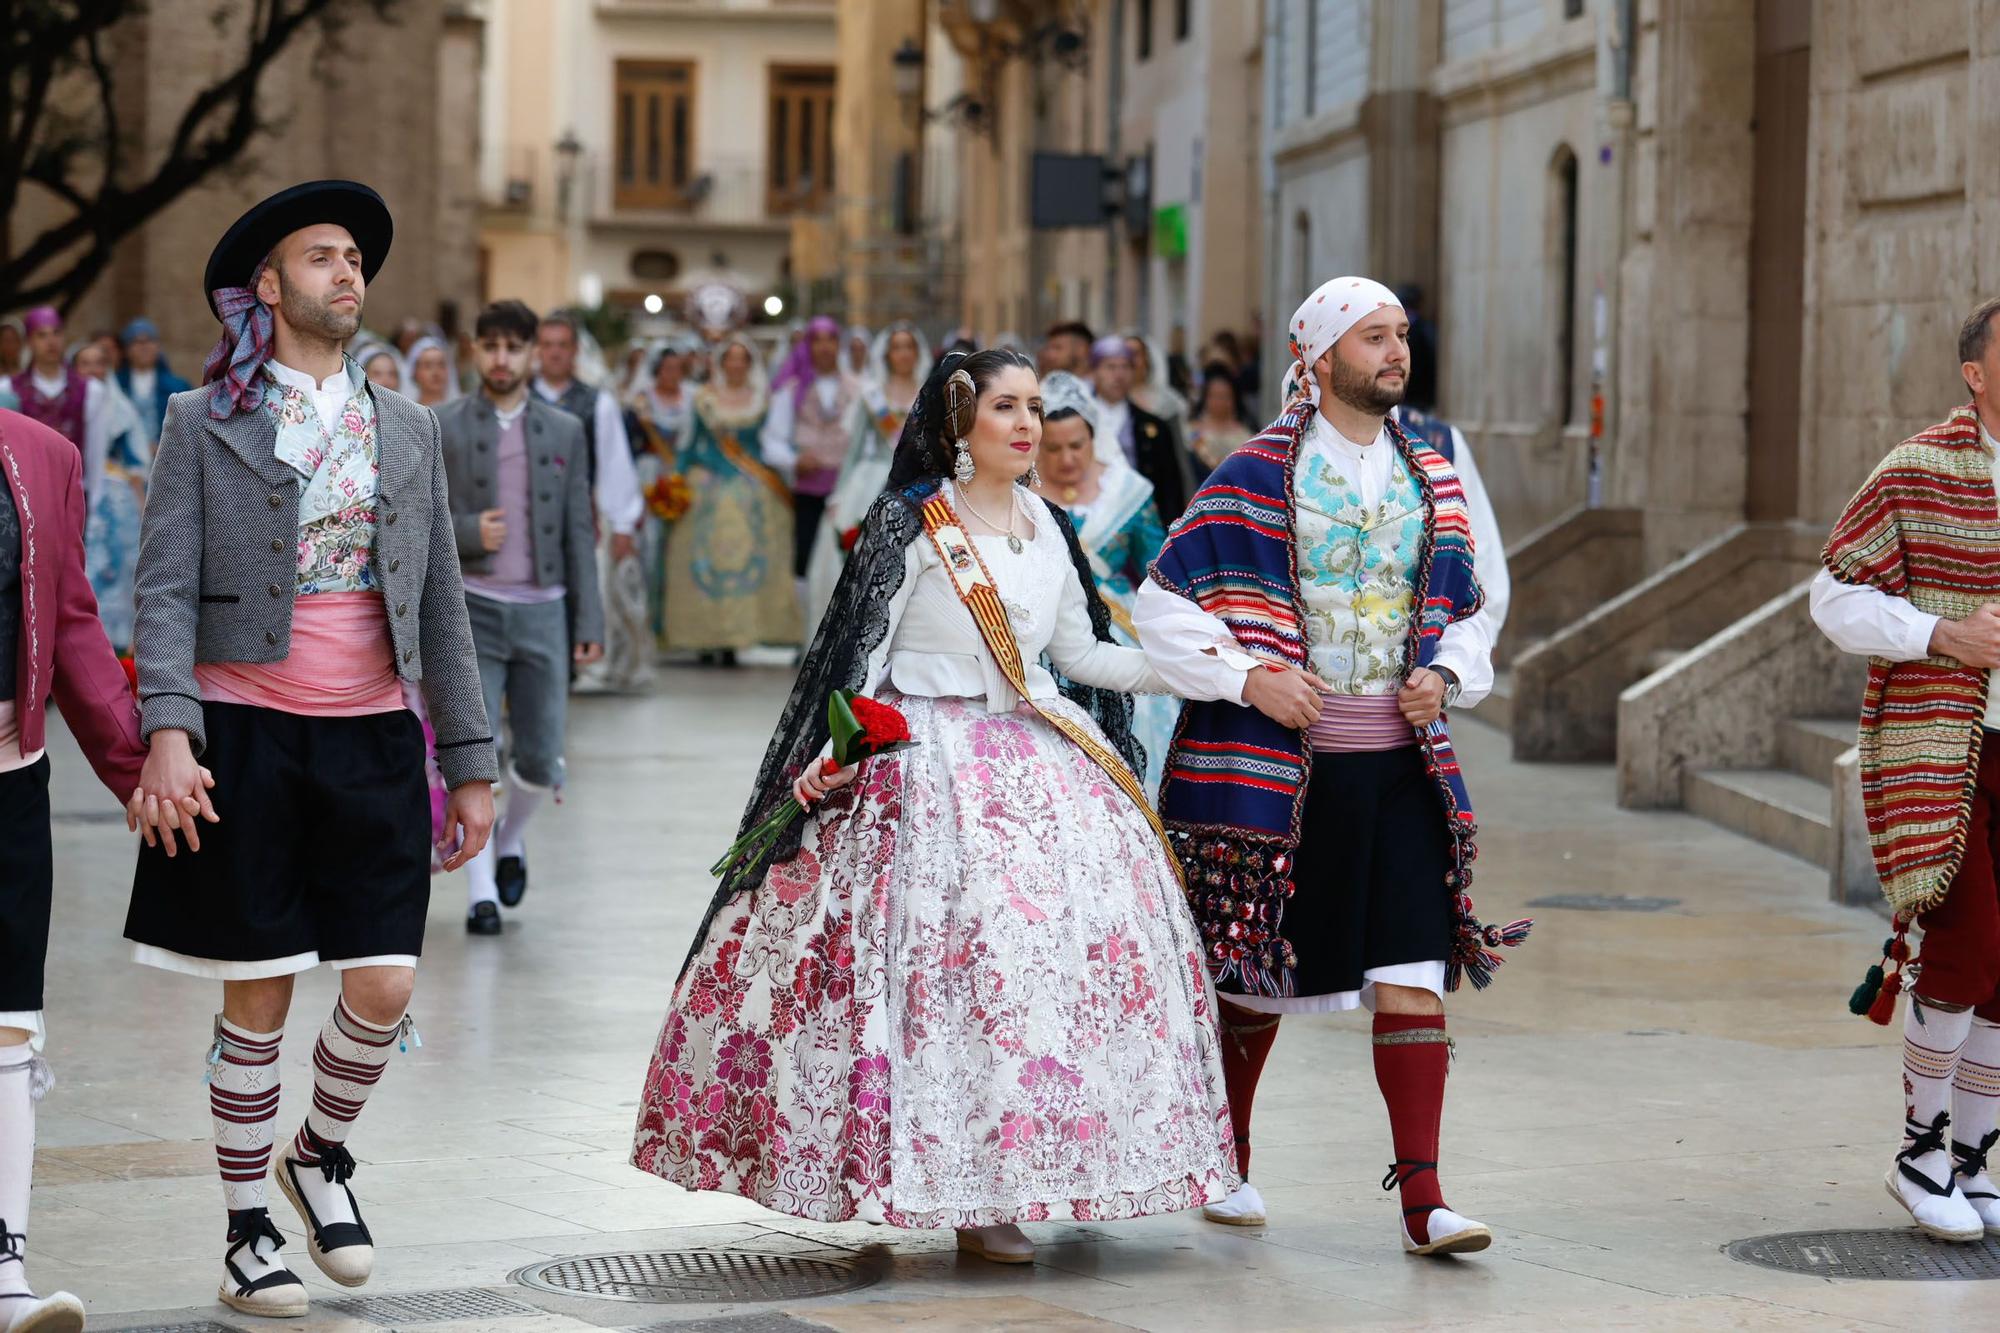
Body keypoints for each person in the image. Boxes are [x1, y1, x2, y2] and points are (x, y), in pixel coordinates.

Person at [633, 349, 1236, 1262]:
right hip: (930, 765)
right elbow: (858, 663)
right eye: (1006, 406)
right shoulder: (913, 523)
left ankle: (1031, 1170)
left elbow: (1082, 655)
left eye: (1035, 406)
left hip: (1042, 758)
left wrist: (1215, 670)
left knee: (1047, 975)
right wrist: (834, 759)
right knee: (944, 975)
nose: (1028, 424)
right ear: (961, 424)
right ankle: (945, 1187)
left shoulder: (1046, 520)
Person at [123, 179, 497, 1317]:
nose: (349, 273)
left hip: (375, 735)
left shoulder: (407, 426)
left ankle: (319, 1150)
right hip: (242, 737)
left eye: (356, 259)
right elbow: (163, 588)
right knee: (259, 1000)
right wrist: (168, 733)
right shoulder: (201, 420)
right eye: (323, 257)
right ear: (270, 286)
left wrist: (471, 760)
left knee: (383, 978)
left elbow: (440, 603)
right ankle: (247, 1234)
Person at [1134, 276, 1526, 1254]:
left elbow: (1480, 592)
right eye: (1371, 338)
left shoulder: (1436, 465)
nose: (1394, 353)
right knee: (1249, 973)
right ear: (1315, 358)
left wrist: (1446, 668)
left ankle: (1424, 1201)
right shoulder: (1253, 473)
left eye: (1399, 335)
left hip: (1401, 770)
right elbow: (1163, 602)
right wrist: (1247, 675)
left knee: (1410, 967)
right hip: (1274, 776)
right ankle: (1222, 1156)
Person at [1811, 296, 2000, 1243]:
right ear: (1976, 371)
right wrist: (1943, 633)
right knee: (1966, 946)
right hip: (1944, 745)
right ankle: (1920, 1152)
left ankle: (1973, 1161)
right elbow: (1832, 590)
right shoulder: (1919, 468)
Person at [0, 405, 166, 1333]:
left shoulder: (42, 453)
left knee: (8, 1030)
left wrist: (143, 772)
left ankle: (4, 1272)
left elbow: (70, 626)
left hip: (10, 786)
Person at [438, 300, 604, 936]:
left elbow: (578, 530)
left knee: (539, 756)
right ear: (474, 351)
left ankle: (510, 838)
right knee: (473, 753)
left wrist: (589, 621)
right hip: (471, 610)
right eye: (490, 346)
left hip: (544, 612)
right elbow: (417, 523)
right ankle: (480, 889)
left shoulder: (565, 431)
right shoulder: (442, 425)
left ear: (534, 353)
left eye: (514, 347)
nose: (501, 359)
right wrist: (467, 531)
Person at [1030, 371, 1173, 797]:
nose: (1067, 458)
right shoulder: (1019, 492)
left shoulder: (1127, 491)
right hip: (1040, 623)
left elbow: (1158, 567)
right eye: (1052, 448)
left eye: (1077, 446)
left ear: (1096, 438)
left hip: (1116, 624)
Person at [662, 337, 799, 662]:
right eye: (730, 359)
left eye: (742, 359)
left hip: (751, 483)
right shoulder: (703, 399)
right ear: (721, 363)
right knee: (699, 552)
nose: (736, 365)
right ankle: (704, 637)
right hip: (707, 481)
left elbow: (771, 442)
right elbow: (688, 443)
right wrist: (676, 479)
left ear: (749, 365)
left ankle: (742, 633)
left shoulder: (762, 401)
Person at [802, 321, 933, 641]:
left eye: (908, 347)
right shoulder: (870, 395)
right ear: (887, 354)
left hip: (915, 482)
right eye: (896, 347)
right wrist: (838, 494)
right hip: (869, 479)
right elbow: (855, 448)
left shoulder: (930, 394)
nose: (903, 354)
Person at [531, 313, 646, 672]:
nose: (554, 354)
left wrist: (623, 523)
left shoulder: (598, 403)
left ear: (575, 351)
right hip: (528, 516)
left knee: (585, 588)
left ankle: (583, 663)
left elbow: (614, 463)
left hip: (583, 515)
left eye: (562, 346)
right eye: (547, 345)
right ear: (537, 350)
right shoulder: (518, 397)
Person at [1394, 404, 1511, 635]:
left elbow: (1481, 554)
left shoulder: (1438, 441)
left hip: (1430, 649)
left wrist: (1466, 656)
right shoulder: (1302, 438)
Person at [765, 316, 861, 581]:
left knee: (846, 561)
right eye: (817, 340)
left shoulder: (857, 387)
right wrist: (794, 460)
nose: (825, 347)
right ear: (808, 346)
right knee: (805, 563)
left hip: (848, 487)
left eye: (831, 339)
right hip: (807, 489)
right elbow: (772, 440)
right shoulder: (793, 389)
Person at [70, 344, 151, 653]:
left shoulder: (121, 408)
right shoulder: (66, 408)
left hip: (116, 505)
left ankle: (114, 650)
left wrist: (142, 507)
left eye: (99, 363)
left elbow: (135, 463)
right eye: (84, 364)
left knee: (116, 570)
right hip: (76, 495)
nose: (92, 370)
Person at [628, 341, 696, 647]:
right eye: (667, 368)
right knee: (651, 548)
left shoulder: (693, 397)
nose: (672, 374)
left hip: (682, 474)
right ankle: (650, 619)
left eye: (677, 368)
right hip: (650, 475)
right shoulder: (643, 400)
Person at [1089, 335, 1195, 524]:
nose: (1119, 375)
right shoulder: (1080, 421)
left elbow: (1170, 487)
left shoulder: (1154, 425)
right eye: (1111, 367)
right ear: (1095, 372)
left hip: (1141, 519)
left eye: (1125, 367)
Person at [9, 309, 112, 502]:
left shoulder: (90, 390)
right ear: (30, 341)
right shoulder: (10, 389)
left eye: (56, 333)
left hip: (72, 494)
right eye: (42, 335)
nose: (51, 341)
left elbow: (96, 452)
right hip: (25, 495)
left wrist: (93, 501)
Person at [115, 318, 193, 446]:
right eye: (137, 342)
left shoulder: (178, 386)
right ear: (126, 350)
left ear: (158, 347)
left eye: (149, 341)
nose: (144, 347)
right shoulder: (116, 385)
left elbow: (187, 427)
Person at [1186, 363, 1252, 475]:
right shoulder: (1192, 430)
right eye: (1214, 396)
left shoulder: (1246, 433)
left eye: (1224, 396)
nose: (1219, 401)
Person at [1127, 334, 1190, 431]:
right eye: (1126, 354)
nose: (1130, 360)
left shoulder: (1167, 401)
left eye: (1135, 354)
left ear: (1146, 359)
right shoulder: (1112, 399)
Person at [403, 334, 459, 409]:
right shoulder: (407, 412)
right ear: (414, 372)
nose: (436, 372)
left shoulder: (459, 411)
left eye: (441, 365)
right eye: (428, 366)